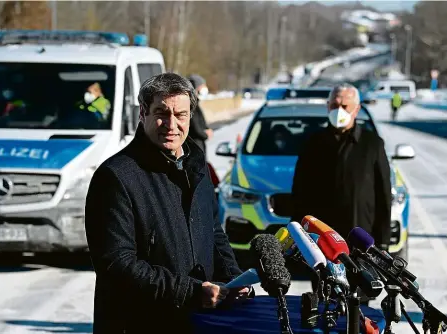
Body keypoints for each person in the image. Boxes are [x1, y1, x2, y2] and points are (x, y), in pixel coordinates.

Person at [85, 73, 251, 334]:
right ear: (143, 113)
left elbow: (213, 233)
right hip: (137, 324)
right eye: (162, 112)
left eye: (180, 115)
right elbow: (117, 263)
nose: (171, 124)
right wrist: (191, 291)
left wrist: (234, 278)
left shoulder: (198, 168)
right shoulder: (115, 177)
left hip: (196, 322)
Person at [291, 83, 392, 251]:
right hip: (322, 240)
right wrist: (298, 233)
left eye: (345, 106)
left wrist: (383, 239)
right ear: (328, 106)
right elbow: (299, 191)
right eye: (334, 105)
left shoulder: (372, 144)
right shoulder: (314, 143)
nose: (339, 111)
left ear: (356, 109)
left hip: (360, 238)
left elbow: (383, 195)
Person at [187, 74, 213, 155]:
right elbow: (195, 127)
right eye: (203, 86)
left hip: (198, 144)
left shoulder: (195, 103)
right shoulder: (191, 105)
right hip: (195, 145)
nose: (205, 88)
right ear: (196, 87)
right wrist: (206, 134)